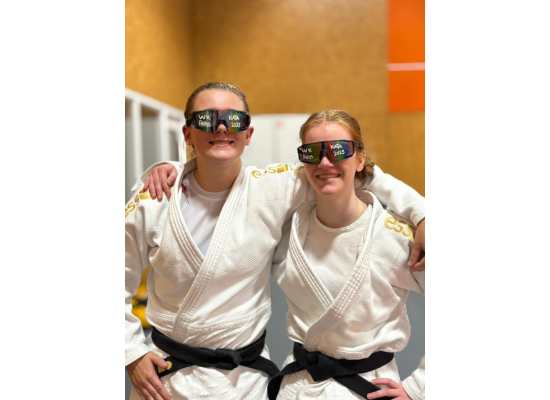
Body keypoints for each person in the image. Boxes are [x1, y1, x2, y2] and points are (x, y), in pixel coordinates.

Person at [125, 82, 425, 400]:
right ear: (187, 133)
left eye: (234, 119)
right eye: (206, 119)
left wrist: (422, 213)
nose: (222, 127)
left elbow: (354, 174)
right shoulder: (154, 199)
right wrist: (130, 353)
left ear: (248, 134)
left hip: (243, 384)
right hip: (165, 381)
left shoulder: (273, 188)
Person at [267, 110, 424, 400]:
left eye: (338, 150)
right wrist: (178, 171)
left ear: (360, 159)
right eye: (313, 152)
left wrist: (419, 388)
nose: (325, 162)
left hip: (368, 388)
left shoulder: (394, 236)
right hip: (299, 385)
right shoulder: (288, 229)